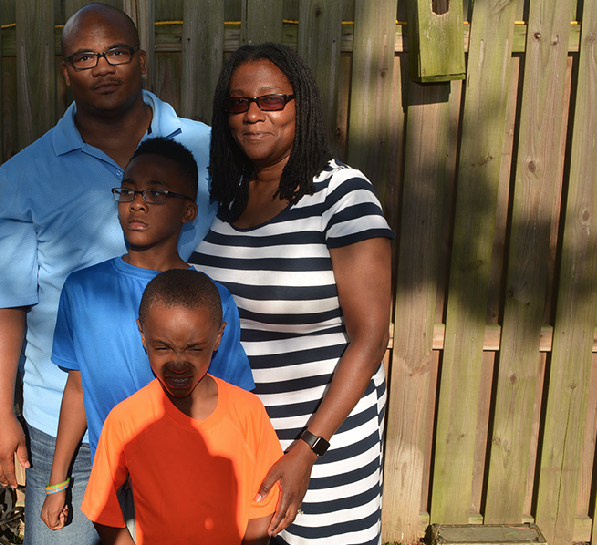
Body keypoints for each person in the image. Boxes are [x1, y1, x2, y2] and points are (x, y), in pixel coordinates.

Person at [0, 5, 215, 544]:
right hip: (68, 424)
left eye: (116, 52)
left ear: (142, 60)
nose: (102, 67)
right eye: (84, 57)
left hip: (185, 410)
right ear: (66, 72)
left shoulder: (206, 150)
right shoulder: (25, 175)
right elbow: (4, 301)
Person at [190, 42, 395, 545]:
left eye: (271, 99)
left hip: (321, 445)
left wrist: (307, 450)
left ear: (300, 104)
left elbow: (370, 339)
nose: (253, 114)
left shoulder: (341, 195)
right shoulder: (226, 198)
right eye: (238, 103)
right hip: (233, 443)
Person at [40, 138, 255, 530]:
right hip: (109, 476)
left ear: (188, 211)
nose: (137, 203)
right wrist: (57, 482)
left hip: (186, 482)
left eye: (156, 193)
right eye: (128, 190)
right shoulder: (82, 289)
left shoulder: (212, 301)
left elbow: (234, 402)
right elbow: (77, 386)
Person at [81, 269, 283, 545]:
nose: (177, 363)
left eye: (194, 349)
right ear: (142, 334)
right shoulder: (126, 420)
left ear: (219, 335)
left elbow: (263, 501)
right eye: (162, 348)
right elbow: (102, 508)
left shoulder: (249, 411)